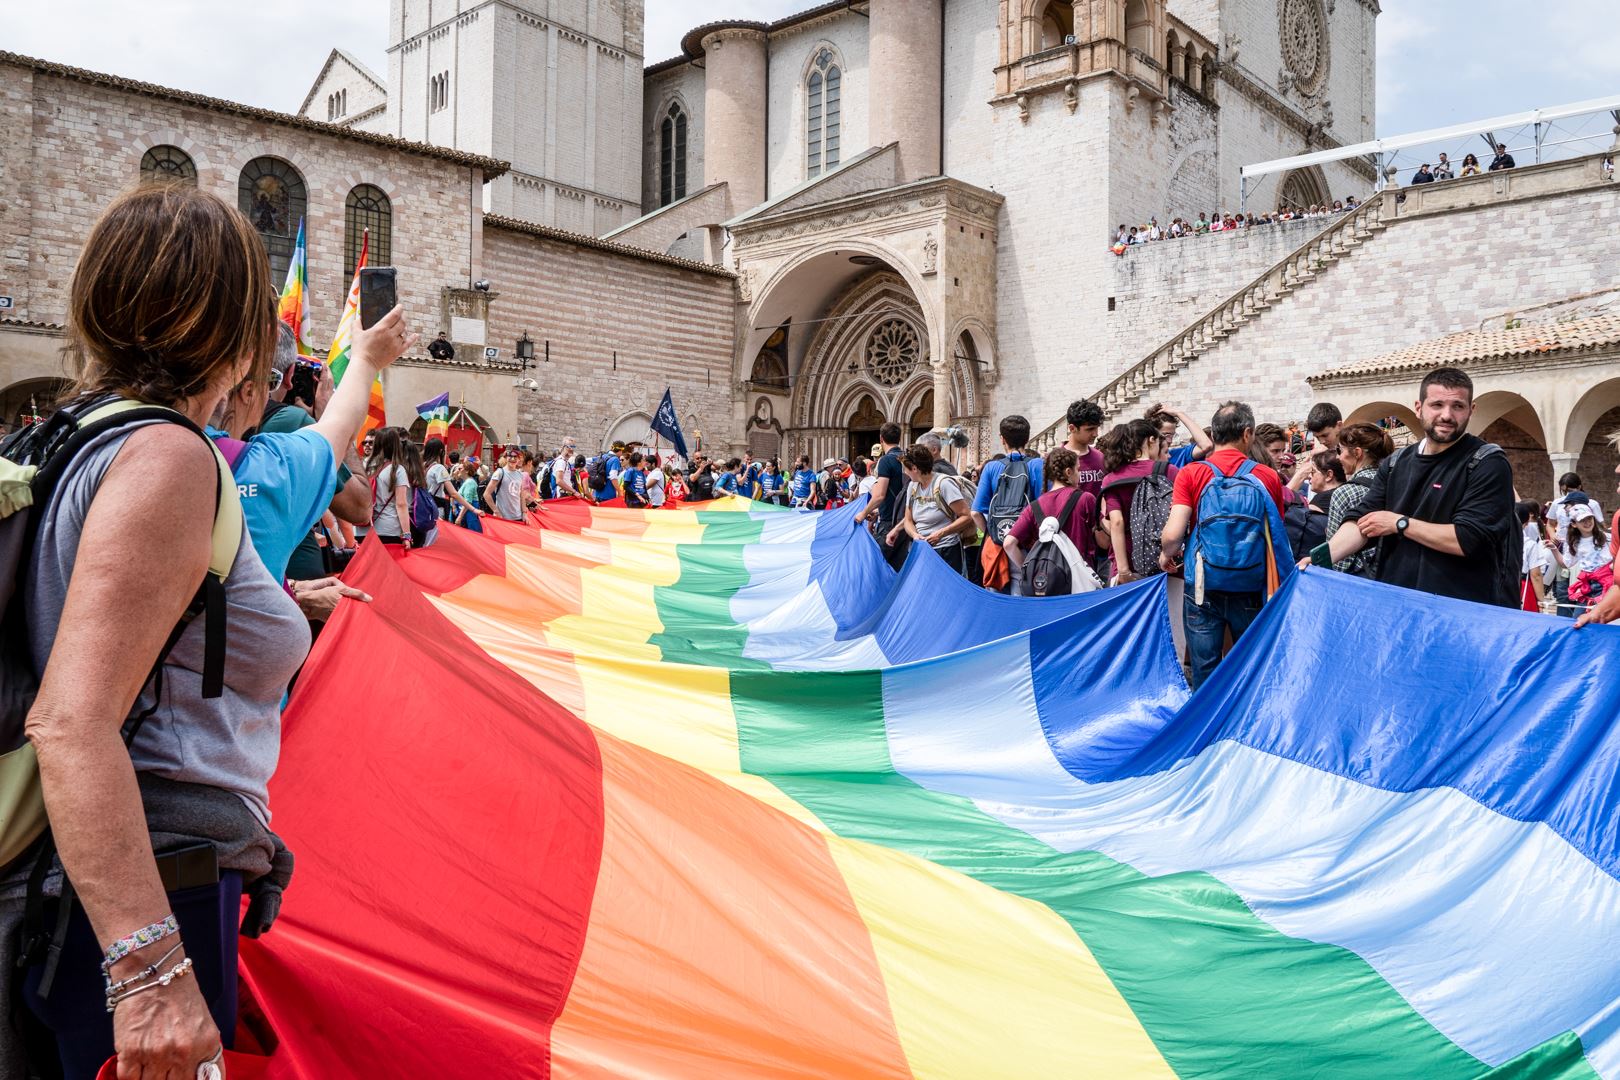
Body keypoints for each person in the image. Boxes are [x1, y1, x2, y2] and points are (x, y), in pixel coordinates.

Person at [2, 184, 350, 1079]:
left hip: (105, 884)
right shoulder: (167, 455)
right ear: (235, 330)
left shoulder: (75, 432)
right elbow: (73, 719)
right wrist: (150, 970)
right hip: (138, 893)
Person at [1305, 367, 1518, 607]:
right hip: (1397, 607)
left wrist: (1399, 523)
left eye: (1457, 406)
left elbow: (1468, 539)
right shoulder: (1396, 463)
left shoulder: (1487, 462)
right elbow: (1361, 521)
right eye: (1437, 405)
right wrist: (1319, 559)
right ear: (1419, 407)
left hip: (1461, 613)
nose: (1447, 415)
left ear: (1471, 410)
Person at [1159, 401, 1293, 689]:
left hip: (1202, 586)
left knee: (1204, 667)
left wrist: (1165, 555)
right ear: (1247, 434)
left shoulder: (1192, 473)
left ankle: (1206, 727)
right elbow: (1275, 531)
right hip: (1250, 584)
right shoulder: (1267, 476)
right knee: (1251, 664)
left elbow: (1172, 535)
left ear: (1216, 433)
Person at [1005, 447, 1107, 590]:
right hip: (1081, 580)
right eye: (1078, 470)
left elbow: (1009, 544)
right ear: (1068, 472)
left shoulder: (1034, 506)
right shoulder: (1085, 499)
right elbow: (1104, 543)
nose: (1079, 475)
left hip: (1049, 582)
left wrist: (1028, 569)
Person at [1099, 418, 1179, 584]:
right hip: (1167, 561)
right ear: (1151, 440)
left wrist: (1123, 570)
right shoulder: (1169, 471)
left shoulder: (1111, 478)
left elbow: (1117, 522)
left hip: (1126, 560)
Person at [972, 415, 1045, 594]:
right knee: (1025, 595)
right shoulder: (1038, 465)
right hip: (1029, 546)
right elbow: (1046, 506)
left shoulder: (991, 467)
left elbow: (975, 512)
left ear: (1002, 439)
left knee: (997, 600)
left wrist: (993, 534)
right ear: (1027, 438)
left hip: (997, 546)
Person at [1321, 422, 1394, 577]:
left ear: (1357, 453)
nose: (1338, 457)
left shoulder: (1345, 493)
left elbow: (1339, 562)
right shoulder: (1395, 483)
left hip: (1355, 581)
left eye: (1340, 450)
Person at [898, 445, 975, 575]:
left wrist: (941, 534)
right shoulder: (912, 486)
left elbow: (966, 516)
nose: (905, 472)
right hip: (921, 549)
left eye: (906, 468)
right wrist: (915, 535)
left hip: (946, 550)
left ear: (915, 469)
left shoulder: (944, 484)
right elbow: (908, 519)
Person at [858, 424, 908, 569]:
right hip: (904, 522)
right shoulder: (906, 458)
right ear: (899, 438)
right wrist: (877, 512)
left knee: (874, 565)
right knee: (896, 569)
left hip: (889, 524)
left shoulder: (886, 460)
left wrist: (863, 513)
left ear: (881, 439)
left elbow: (879, 495)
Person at [1062, 399, 1106, 500]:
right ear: (1072, 428)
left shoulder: (1100, 457)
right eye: (1090, 429)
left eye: (1096, 428)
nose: (1095, 434)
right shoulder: (1057, 460)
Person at [484, 447, 536, 522]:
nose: (512, 459)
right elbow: (486, 494)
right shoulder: (500, 473)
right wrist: (496, 511)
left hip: (518, 517)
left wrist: (524, 513)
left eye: (515, 457)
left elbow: (521, 495)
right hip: (503, 517)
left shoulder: (520, 475)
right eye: (510, 456)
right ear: (506, 458)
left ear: (519, 459)